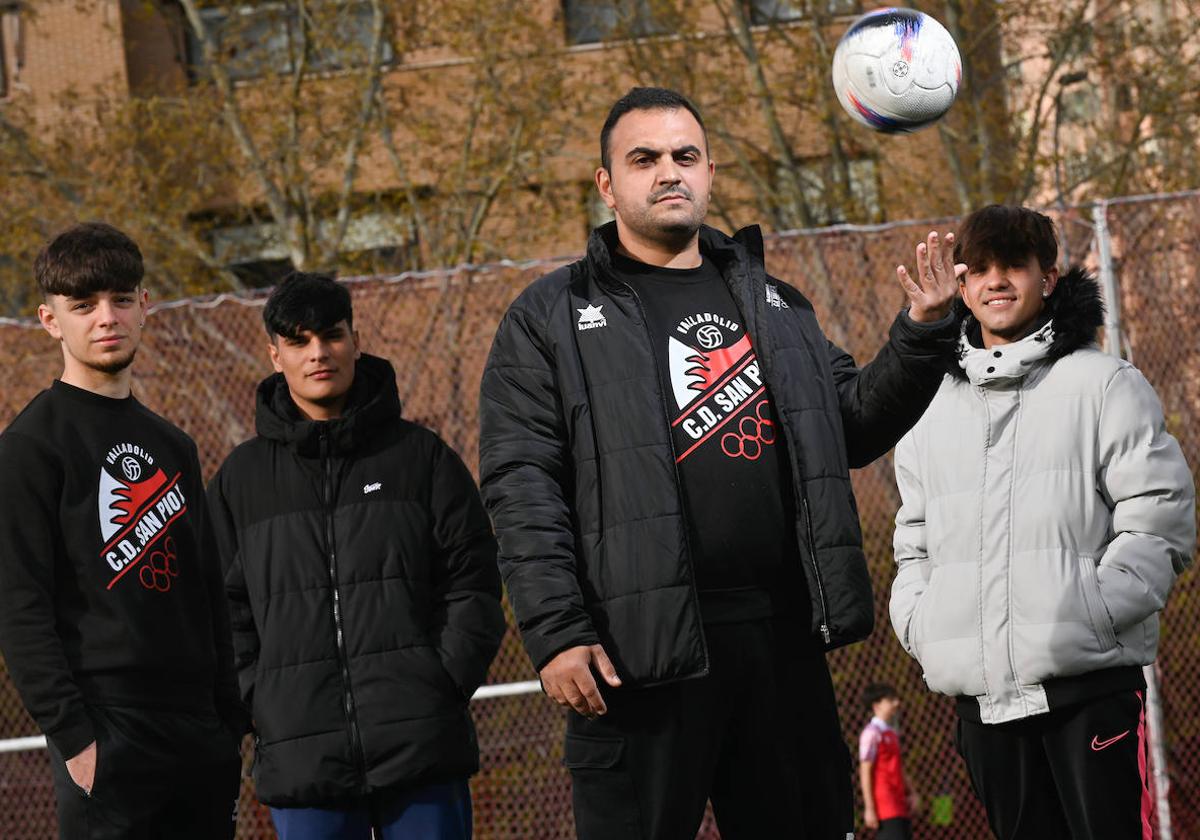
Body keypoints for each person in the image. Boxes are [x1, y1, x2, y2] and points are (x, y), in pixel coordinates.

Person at [478, 86, 962, 839]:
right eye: (644, 159)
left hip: (778, 639)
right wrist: (557, 630)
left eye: (685, 156)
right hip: (635, 651)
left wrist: (922, 333)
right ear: (607, 185)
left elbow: (852, 425)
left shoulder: (774, 301)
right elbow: (522, 486)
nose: (669, 172)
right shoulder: (548, 319)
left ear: (709, 172)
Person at [888, 205, 1196, 840]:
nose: (998, 282)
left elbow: (1159, 519)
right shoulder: (926, 406)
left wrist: (1095, 611)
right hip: (980, 701)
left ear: (1048, 278)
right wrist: (920, 621)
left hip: (1086, 691)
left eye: (1015, 266)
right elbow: (912, 538)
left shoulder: (1106, 384)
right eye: (981, 270)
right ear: (963, 285)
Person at [207, 272, 505, 840]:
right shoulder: (239, 482)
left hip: (421, 747)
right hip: (301, 758)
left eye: (331, 335)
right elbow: (221, 610)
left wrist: (438, 682)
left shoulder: (421, 459)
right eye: (298, 341)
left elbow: (473, 580)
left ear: (355, 340)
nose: (318, 353)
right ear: (275, 354)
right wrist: (263, 702)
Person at [0, 222, 245, 839]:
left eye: (119, 300)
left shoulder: (174, 445)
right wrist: (75, 737)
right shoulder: (28, 448)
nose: (104, 318)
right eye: (83, 306)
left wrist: (226, 721)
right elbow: (18, 607)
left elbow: (208, 590)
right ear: (50, 320)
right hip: (106, 731)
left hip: (198, 733)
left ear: (144, 307)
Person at [859, 683, 916, 840]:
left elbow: (898, 767)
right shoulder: (871, 734)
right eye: (890, 700)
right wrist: (869, 808)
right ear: (876, 705)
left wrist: (911, 792)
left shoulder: (890, 733)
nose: (896, 703)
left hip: (899, 803)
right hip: (885, 805)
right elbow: (865, 771)